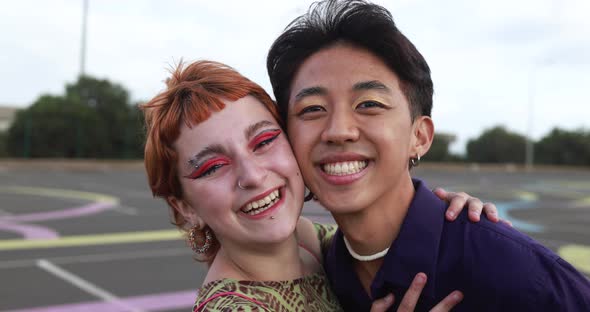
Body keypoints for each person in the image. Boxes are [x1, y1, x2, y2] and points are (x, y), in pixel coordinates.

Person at [266, 0, 590, 310]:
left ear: (419, 137)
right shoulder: (322, 269)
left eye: (369, 104)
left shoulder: (508, 268)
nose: (338, 130)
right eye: (311, 109)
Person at [141, 60, 499, 311]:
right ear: (184, 207)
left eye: (264, 141)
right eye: (214, 166)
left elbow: (382, 241)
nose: (251, 175)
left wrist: (440, 211)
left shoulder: (311, 241)